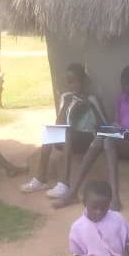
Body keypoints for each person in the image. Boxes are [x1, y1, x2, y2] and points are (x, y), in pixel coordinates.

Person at [54, 65, 129, 211]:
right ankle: (73, 192)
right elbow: (119, 122)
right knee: (101, 137)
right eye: (124, 87)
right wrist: (117, 127)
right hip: (125, 138)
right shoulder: (122, 98)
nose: (127, 92)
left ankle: (114, 198)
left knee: (108, 141)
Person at [23, 63, 107, 197]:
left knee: (67, 132)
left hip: (86, 139)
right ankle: (40, 179)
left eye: (75, 81)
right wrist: (66, 105)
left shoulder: (91, 99)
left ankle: (64, 184)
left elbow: (103, 124)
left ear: (82, 81)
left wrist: (89, 106)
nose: (72, 85)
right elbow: (58, 124)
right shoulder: (65, 97)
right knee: (50, 130)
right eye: (69, 82)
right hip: (68, 139)